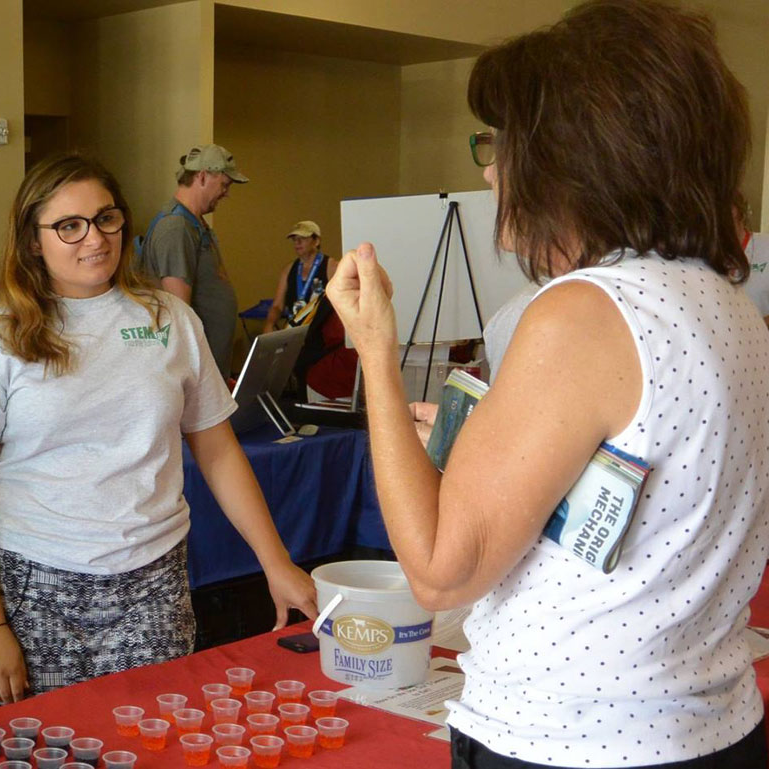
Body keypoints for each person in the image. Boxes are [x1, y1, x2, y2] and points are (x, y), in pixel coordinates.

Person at [327, 3, 769, 765]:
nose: (491, 169)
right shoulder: (723, 302)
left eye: (500, 144)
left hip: (570, 737)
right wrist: (481, 439)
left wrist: (375, 352)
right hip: (703, 725)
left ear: (576, 154)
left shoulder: (583, 312)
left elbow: (441, 570)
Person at [0, 154, 316, 703]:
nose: (94, 238)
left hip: (152, 579)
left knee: (149, 743)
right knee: (53, 750)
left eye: (106, 218)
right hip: (35, 585)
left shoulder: (168, 319)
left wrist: (275, 562)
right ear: (33, 240)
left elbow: (218, 451)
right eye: (69, 226)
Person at [138, 143, 248, 373]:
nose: (227, 193)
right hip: (195, 372)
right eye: (225, 184)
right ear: (203, 176)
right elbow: (178, 309)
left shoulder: (194, 223)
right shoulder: (176, 227)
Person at [269, 221, 328, 331]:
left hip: (321, 332)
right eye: (295, 239)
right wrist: (269, 324)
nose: (298, 242)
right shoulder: (288, 270)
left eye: (303, 238)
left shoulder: (331, 266)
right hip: (295, 331)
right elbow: (277, 305)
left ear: (316, 241)